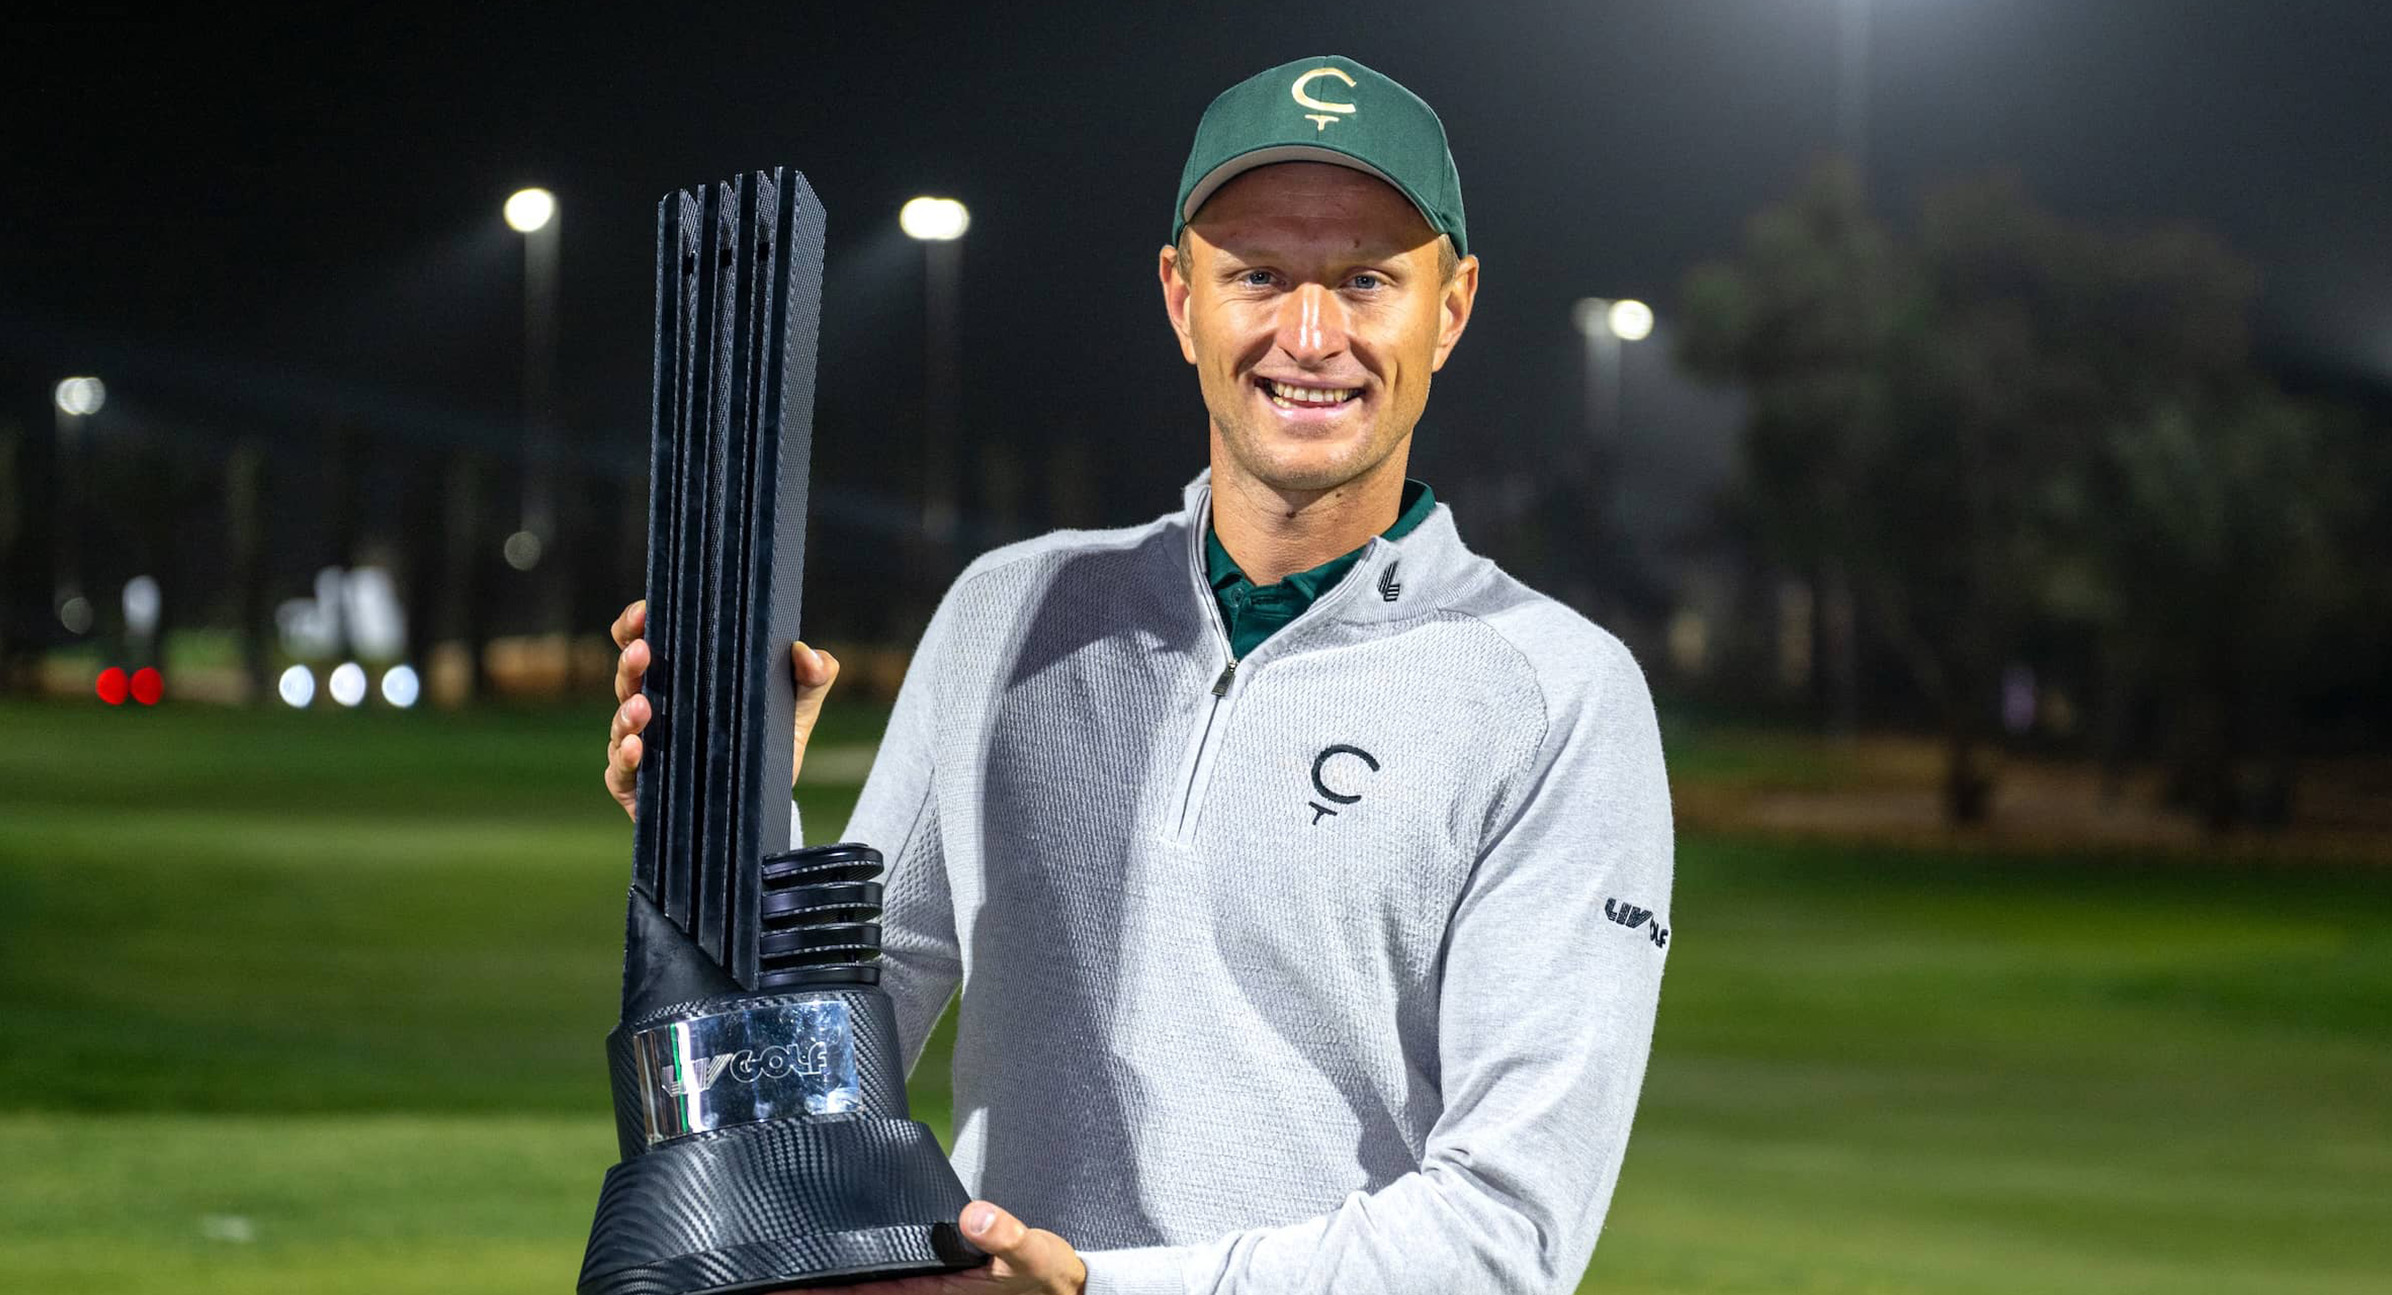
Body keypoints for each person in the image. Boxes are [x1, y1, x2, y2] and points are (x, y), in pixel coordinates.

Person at [604, 55, 1673, 1295]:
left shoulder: (1557, 694)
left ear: (1451, 307)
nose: (1310, 335)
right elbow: (833, 1058)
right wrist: (736, 832)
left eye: (1367, 280)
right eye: (1257, 275)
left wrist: (1101, 1291)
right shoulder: (1011, 608)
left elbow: (1509, 1232)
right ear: (1181, 298)